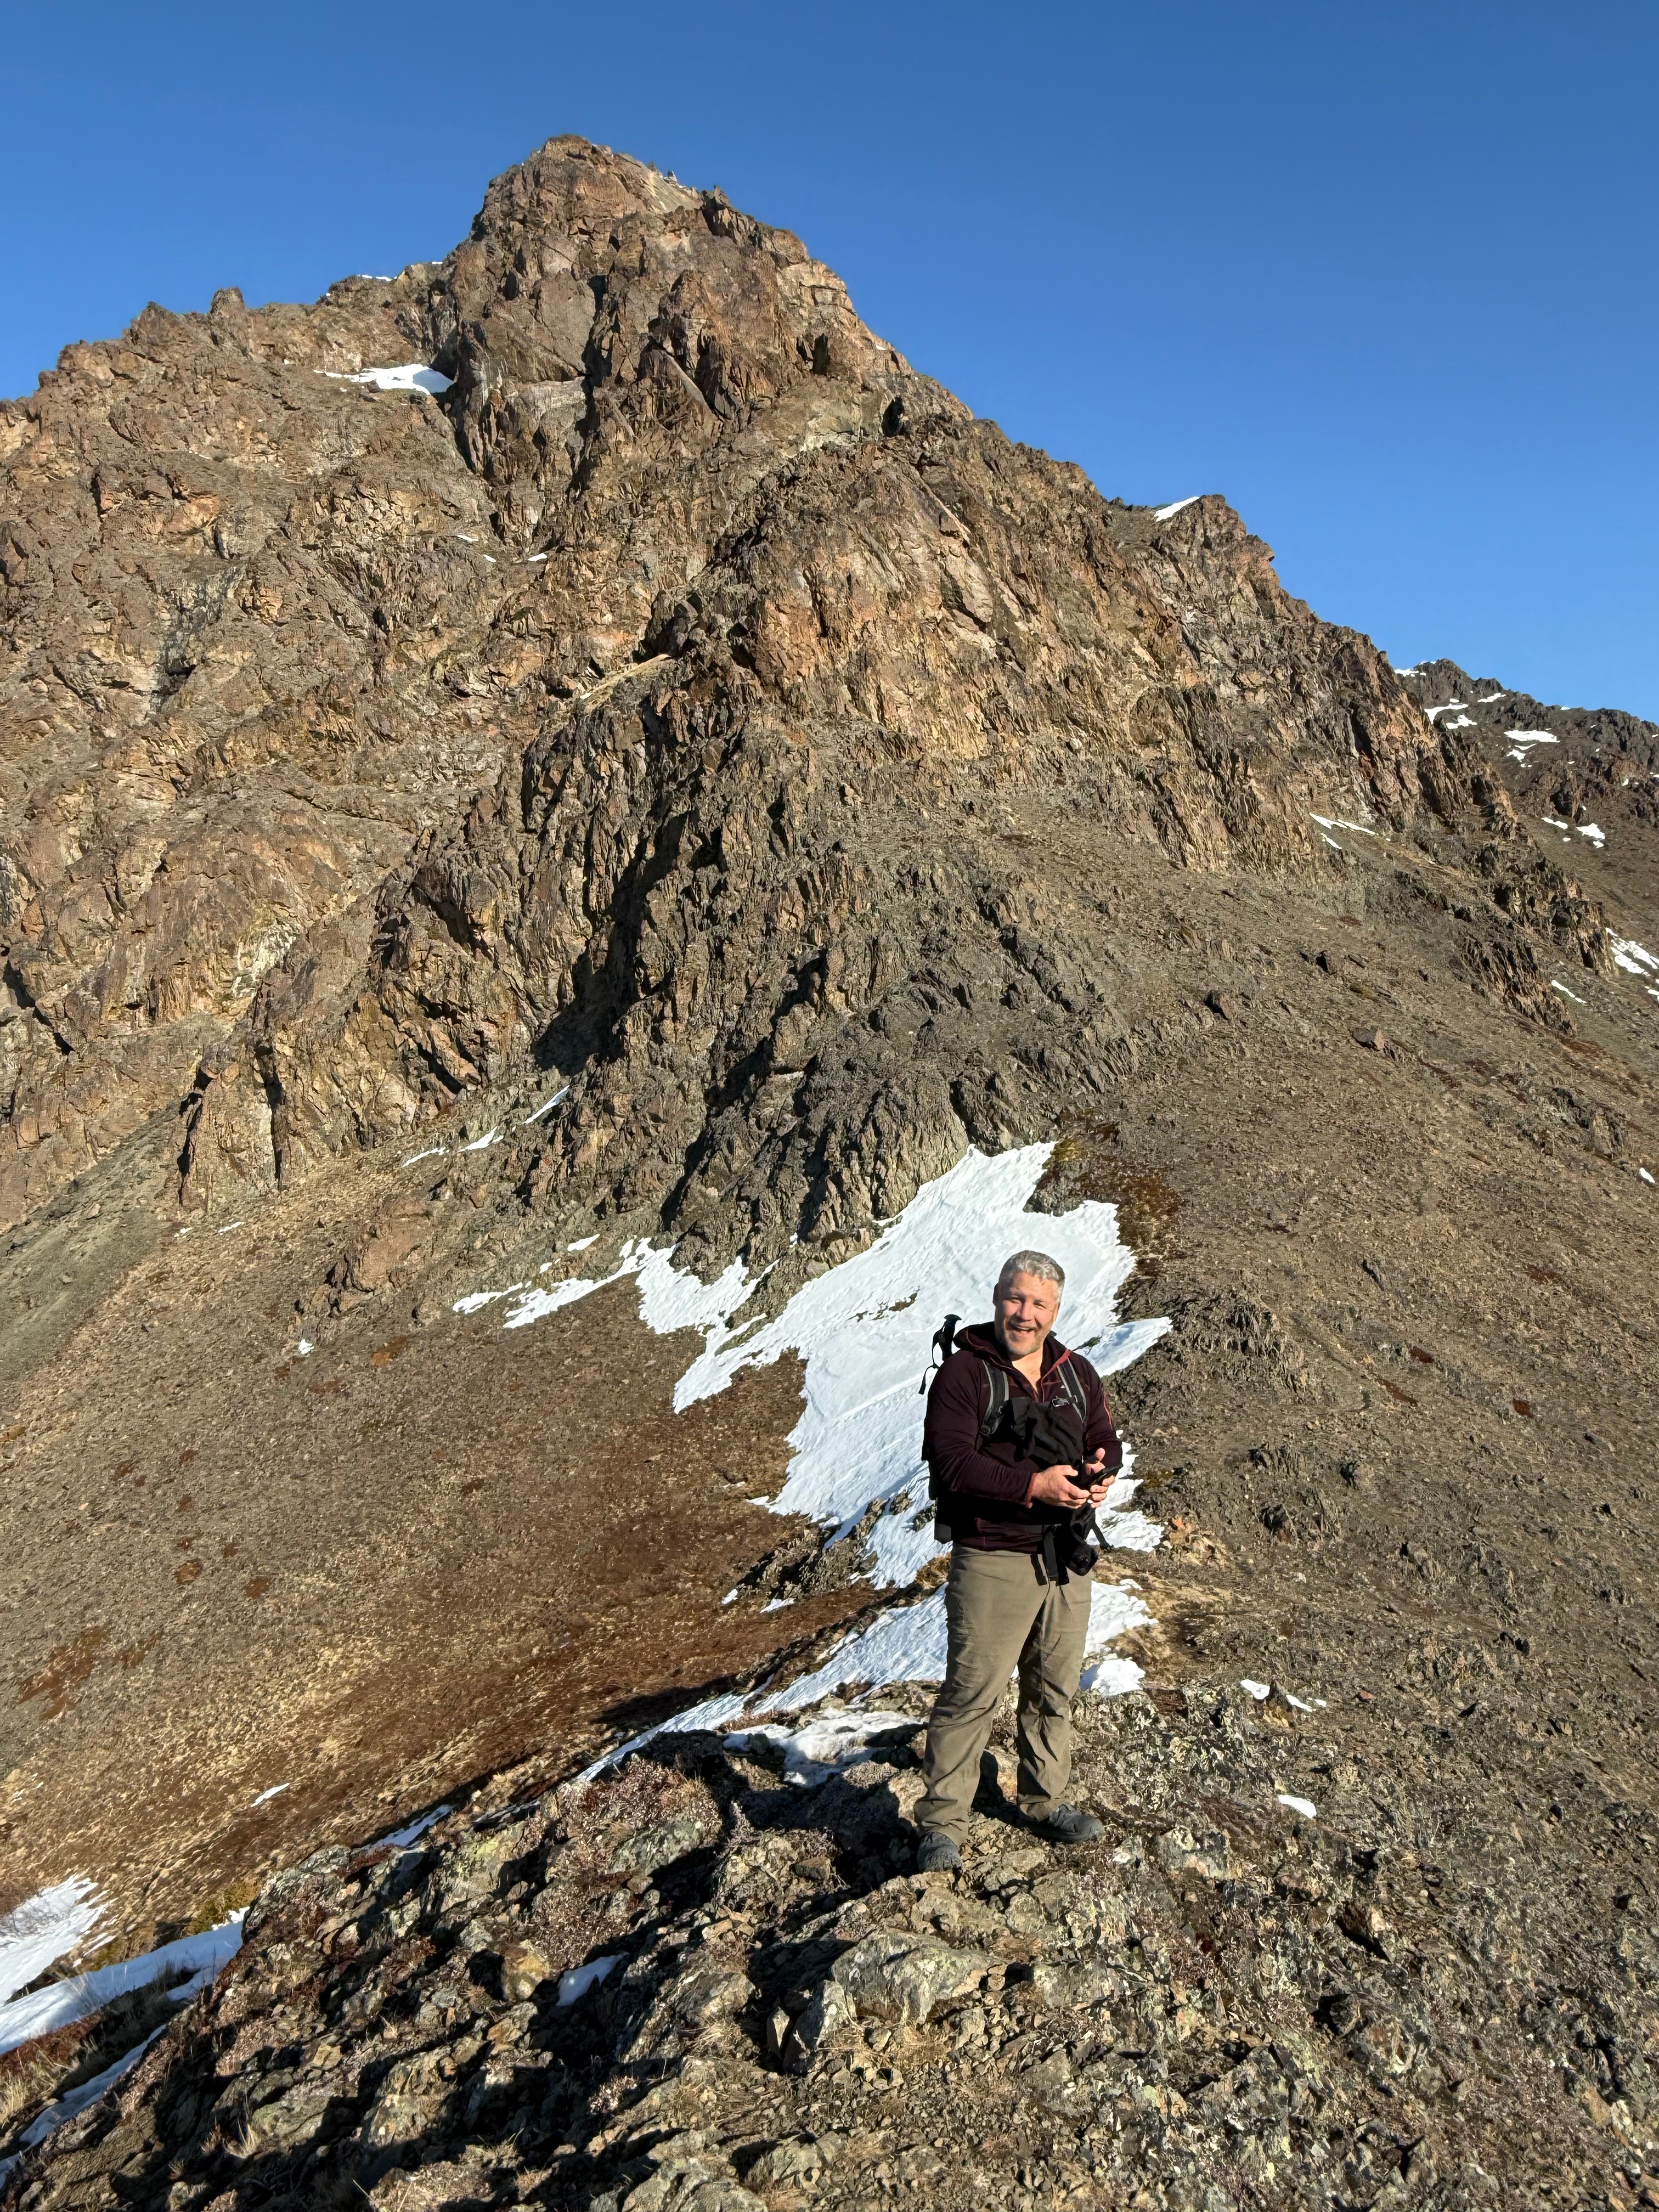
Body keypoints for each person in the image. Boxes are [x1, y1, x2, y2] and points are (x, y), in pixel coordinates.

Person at [913, 1249, 1121, 1873]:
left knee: (1053, 1689)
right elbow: (952, 1464)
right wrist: (1033, 1488)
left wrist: (1102, 1471)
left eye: (1037, 1304)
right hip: (992, 1556)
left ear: (1056, 1311)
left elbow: (1103, 1436)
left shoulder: (1077, 1373)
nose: (1023, 1314)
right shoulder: (964, 1376)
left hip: (1066, 1556)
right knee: (973, 1693)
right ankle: (942, 1825)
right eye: (1014, 1298)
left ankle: (1041, 1800)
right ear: (996, 1296)